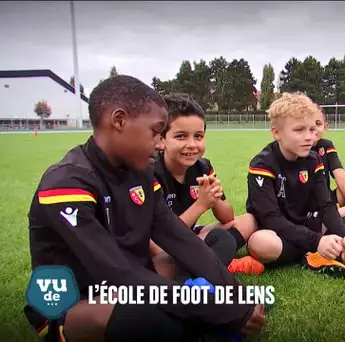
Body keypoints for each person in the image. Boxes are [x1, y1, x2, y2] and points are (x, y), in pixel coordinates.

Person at [24, 75, 264, 342]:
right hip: (81, 296)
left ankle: (194, 309)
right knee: (158, 325)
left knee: (206, 251)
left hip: (134, 282)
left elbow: (180, 239)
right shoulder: (67, 181)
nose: (160, 143)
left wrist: (234, 294)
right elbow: (115, 270)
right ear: (119, 121)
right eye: (155, 132)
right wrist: (210, 306)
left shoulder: (142, 174)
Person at [245, 92, 345, 278]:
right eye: (299, 130)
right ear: (276, 133)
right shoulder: (262, 164)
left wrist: (344, 235)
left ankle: (334, 246)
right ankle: (320, 251)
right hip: (278, 231)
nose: (309, 137)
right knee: (260, 244)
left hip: (310, 224)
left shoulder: (314, 160)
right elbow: (271, 218)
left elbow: (326, 206)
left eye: (312, 130)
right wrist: (316, 241)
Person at [150, 92, 263, 277]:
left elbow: (228, 217)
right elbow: (160, 239)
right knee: (158, 256)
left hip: (191, 237)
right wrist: (201, 205)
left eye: (199, 136)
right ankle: (219, 263)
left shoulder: (203, 166)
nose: (192, 144)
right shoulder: (152, 172)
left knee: (249, 221)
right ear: (162, 140)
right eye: (181, 136)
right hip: (164, 245)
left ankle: (213, 260)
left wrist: (215, 198)